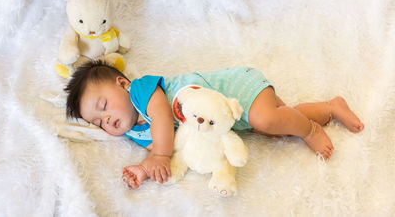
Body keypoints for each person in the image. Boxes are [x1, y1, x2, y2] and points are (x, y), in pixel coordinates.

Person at [64, 60, 364, 189]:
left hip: (237, 89)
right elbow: (171, 147)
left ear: (122, 83)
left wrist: (157, 156)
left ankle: (311, 129)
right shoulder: (136, 132)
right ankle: (330, 108)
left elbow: (164, 123)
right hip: (226, 120)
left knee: (267, 118)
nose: (106, 120)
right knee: (276, 125)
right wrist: (144, 169)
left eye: (103, 106)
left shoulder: (142, 92)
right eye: (98, 122)